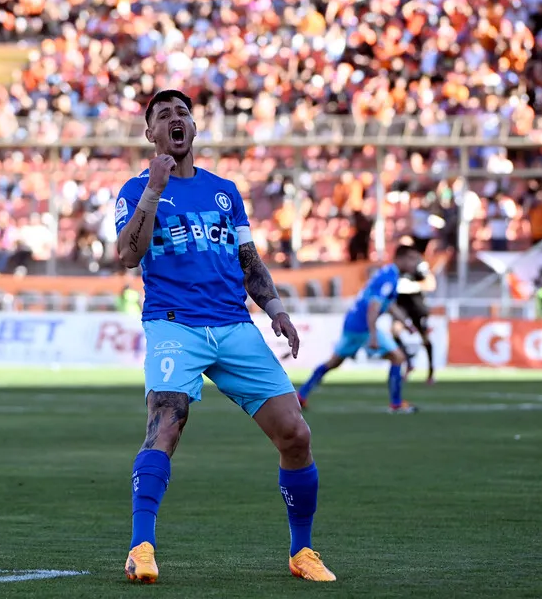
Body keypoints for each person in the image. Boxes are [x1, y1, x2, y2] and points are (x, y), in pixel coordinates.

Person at [115, 90, 335, 584]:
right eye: (164, 115)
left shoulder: (224, 191)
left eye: (183, 113)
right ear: (151, 134)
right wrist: (152, 190)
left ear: (194, 128)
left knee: (296, 435)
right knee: (166, 422)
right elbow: (129, 255)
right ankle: (141, 547)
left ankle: (302, 552)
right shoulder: (135, 189)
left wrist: (275, 308)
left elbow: (248, 261)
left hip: (234, 324)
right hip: (174, 323)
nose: (176, 119)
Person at [296, 244, 424, 413]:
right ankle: (396, 404)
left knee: (333, 362)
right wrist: (373, 336)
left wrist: (406, 324)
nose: (415, 263)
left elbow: (389, 304)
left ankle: (301, 396)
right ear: (401, 258)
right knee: (398, 357)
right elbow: (373, 307)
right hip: (362, 326)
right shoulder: (389, 278)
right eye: (412, 259)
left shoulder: (388, 274)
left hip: (354, 323)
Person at [391, 237, 437, 383]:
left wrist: (413, 286)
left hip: (416, 305)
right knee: (395, 331)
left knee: (424, 338)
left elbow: (430, 284)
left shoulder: (420, 265)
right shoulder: (395, 268)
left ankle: (431, 371)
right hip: (401, 306)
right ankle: (408, 363)